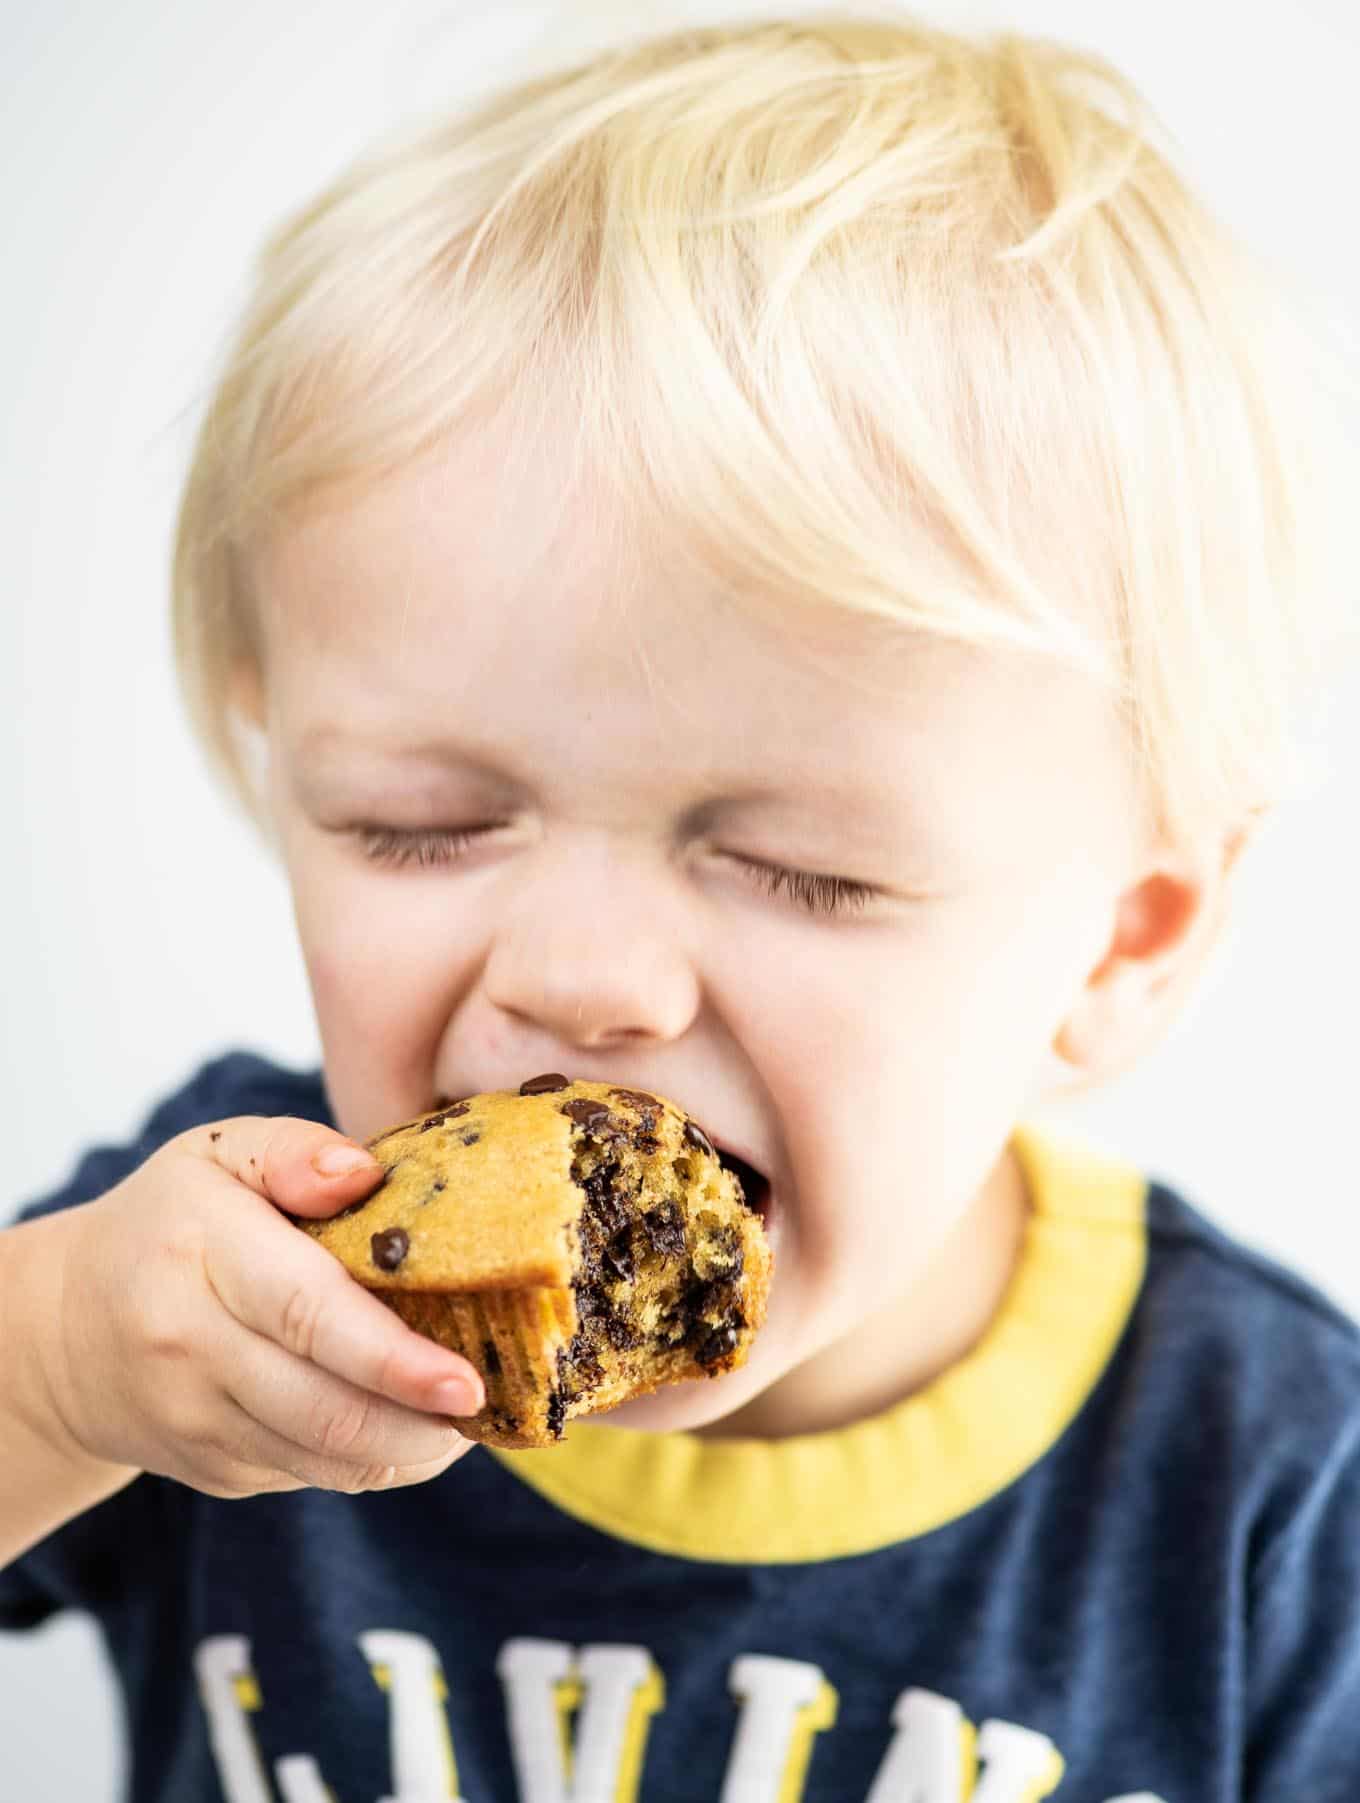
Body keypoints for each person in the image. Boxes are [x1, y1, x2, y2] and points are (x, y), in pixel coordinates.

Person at [2, 13, 1356, 1801]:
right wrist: (51, 1374)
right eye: (424, 822)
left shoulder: (1269, 1482)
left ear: (1122, 943)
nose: (583, 984)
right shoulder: (195, 1294)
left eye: (805, 867)